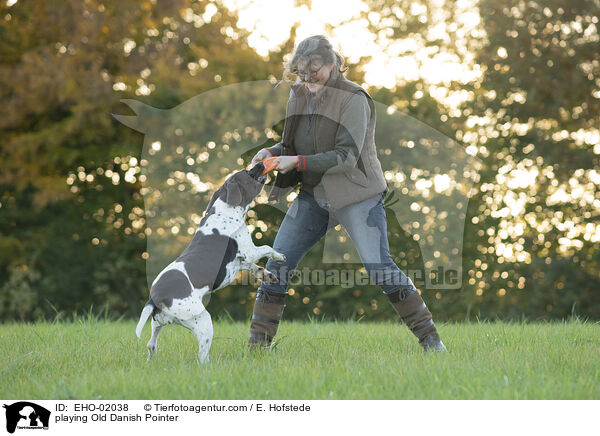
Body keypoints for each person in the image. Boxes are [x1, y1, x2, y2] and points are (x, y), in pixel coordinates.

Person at [248, 35, 446, 352]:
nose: (308, 79)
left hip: (358, 196)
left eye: (315, 71)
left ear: (333, 65)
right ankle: (257, 347)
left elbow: (345, 157)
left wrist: (296, 162)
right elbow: (294, 145)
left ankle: (431, 341)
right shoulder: (297, 94)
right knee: (277, 266)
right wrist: (270, 153)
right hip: (314, 196)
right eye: (301, 72)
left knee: (379, 268)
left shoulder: (354, 98)